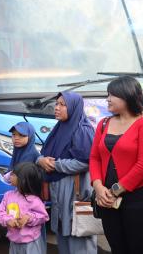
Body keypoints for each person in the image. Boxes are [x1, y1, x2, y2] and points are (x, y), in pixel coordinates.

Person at [89, 76, 143, 254]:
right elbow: (94, 158)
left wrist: (114, 190)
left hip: (141, 199)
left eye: (112, 95)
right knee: (117, 248)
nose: (108, 99)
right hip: (107, 200)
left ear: (127, 96)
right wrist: (98, 186)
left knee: (138, 249)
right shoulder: (104, 123)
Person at [37, 91, 97, 254]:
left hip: (74, 191)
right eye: (56, 104)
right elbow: (44, 153)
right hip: (59, 190)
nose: (57, 108)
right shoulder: (59, 129)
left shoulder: (82, 130)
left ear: (74, 107)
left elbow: (85, 162)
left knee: (78, 234)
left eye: (62, 105)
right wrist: (41, 160)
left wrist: (56, 165)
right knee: (63, 232)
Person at [0, 162, 49, 254]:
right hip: (14, 242)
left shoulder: (34, 200)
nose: (10, 176)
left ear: (23, 180)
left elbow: (44, 217)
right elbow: (0, 213)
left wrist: (28, 218)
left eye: (13, 174)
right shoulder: (8, 196)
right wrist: (8, 220)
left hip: (31, 243)